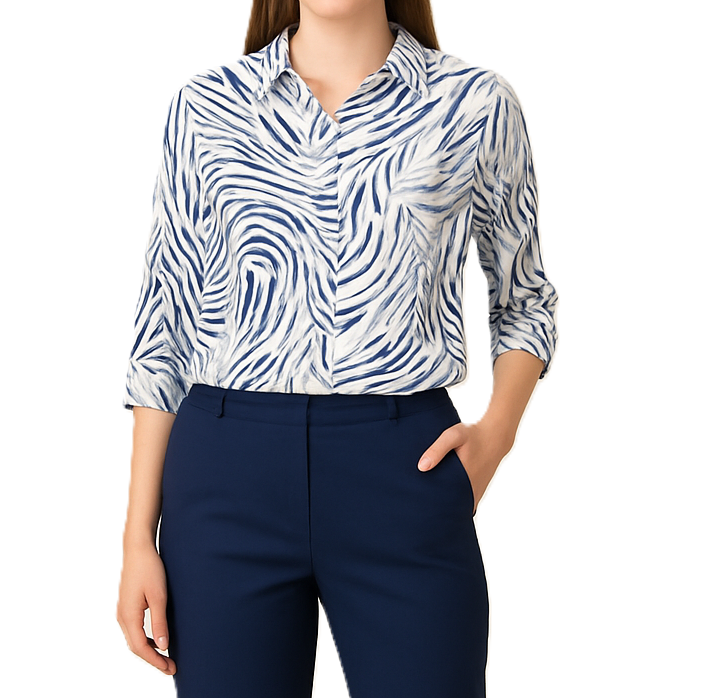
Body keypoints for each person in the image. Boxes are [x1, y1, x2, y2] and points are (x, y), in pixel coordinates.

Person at [116, 1, 559, 696]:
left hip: (402, 465)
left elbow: (524, 297)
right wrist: (137, 537)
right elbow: (164, 321)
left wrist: (496, 434)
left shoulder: (473, 103)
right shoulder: (207, 106)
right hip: (226, 474)